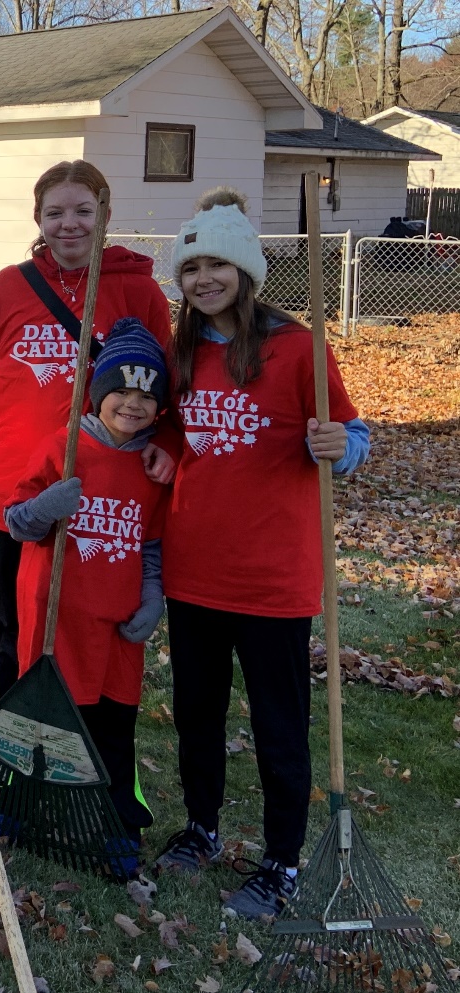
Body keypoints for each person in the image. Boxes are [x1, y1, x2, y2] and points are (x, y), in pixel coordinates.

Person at [151, 188, 369, 920]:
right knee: (197, 711)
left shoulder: (297, 347)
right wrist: (160, 456)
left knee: (279, 724)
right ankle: (202, 826)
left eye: (216, 264)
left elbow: (352, 433)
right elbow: (180, 439)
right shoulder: (180, 353)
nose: (203, 278)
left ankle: (279, 861)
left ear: (244, 271)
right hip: (193, 570)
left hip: (273, 578)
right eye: (190, 268)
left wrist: (341, 449)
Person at [0, 160, 174, 700]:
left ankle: (89, 749)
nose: (68, 224)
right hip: (17, 492)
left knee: (94, 626)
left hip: (102, 500)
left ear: (104, 215)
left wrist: (166, 443)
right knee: (15, 630)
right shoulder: (9, 288)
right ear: (37, 217)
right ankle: (17, 750)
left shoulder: (138, 293)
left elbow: (166, 388)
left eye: (82, 210)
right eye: (55, 212)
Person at [4, 320, 171, 882]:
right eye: (120, 391)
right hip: (56, 615)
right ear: (97, 394)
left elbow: (150, 544)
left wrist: (153, 598)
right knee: (42, 715)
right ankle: (18, 805)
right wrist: (47, 505)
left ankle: (118, 822)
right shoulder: (63, 446)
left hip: (116, 621)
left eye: (147, 396)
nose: (132, 404)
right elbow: (18, 523)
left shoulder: (153, 469)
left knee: (112, 723)